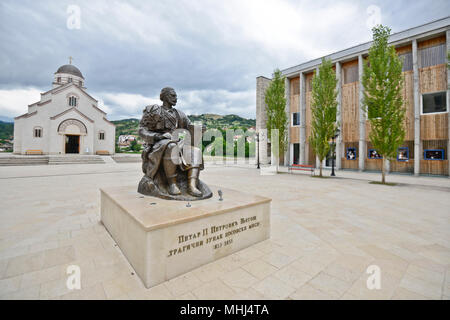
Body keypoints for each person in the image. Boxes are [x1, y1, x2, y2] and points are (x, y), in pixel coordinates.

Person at [138, 87, 205, 197]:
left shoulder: (179, 114)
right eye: (173, 96)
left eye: (176, 96)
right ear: (164, 97)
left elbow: (189, 126)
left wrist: (197, 129)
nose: (176, 98)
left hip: (176, 141)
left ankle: (192, 185)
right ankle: (172, 184)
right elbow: (141, 130)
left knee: (195, 151)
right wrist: (158, 136)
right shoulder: (154, 110)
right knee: (172, 146)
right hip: (159, 143)